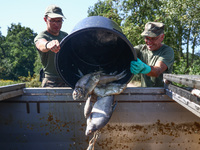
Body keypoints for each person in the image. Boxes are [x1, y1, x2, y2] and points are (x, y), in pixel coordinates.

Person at [130, 22, 174, 87]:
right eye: (146, 38)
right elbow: (127, 52)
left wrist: (143, 68)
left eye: (153, 38)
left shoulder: (167, 51)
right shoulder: (141, 49)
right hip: (145, 93)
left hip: (162, 93)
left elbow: (157, 71)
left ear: (162, 37)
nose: (149, 42)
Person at [34, 5, 68, 87]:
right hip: (51, 81)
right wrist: (48, 45)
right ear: (45, 20)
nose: (56, 24)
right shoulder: (42, 36)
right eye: (53, 21)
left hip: (67, 79)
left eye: (59, 21)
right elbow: (40, 44)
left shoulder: (66, 36)